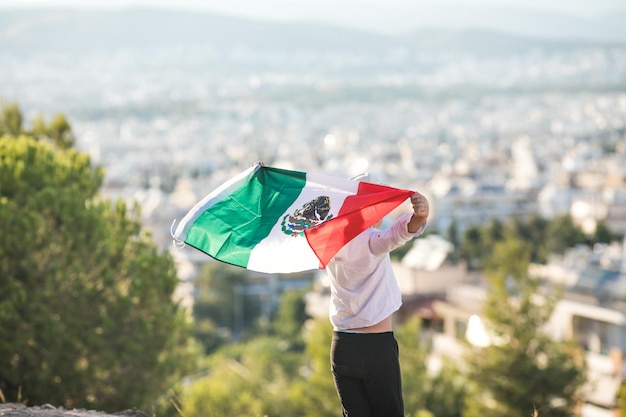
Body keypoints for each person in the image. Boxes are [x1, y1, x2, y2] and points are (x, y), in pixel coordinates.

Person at [325, 191, 429, 417]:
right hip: (375, 347)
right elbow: (398, 233)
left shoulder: (330, 245)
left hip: (341, 345)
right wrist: (420, 216)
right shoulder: (372, 240)